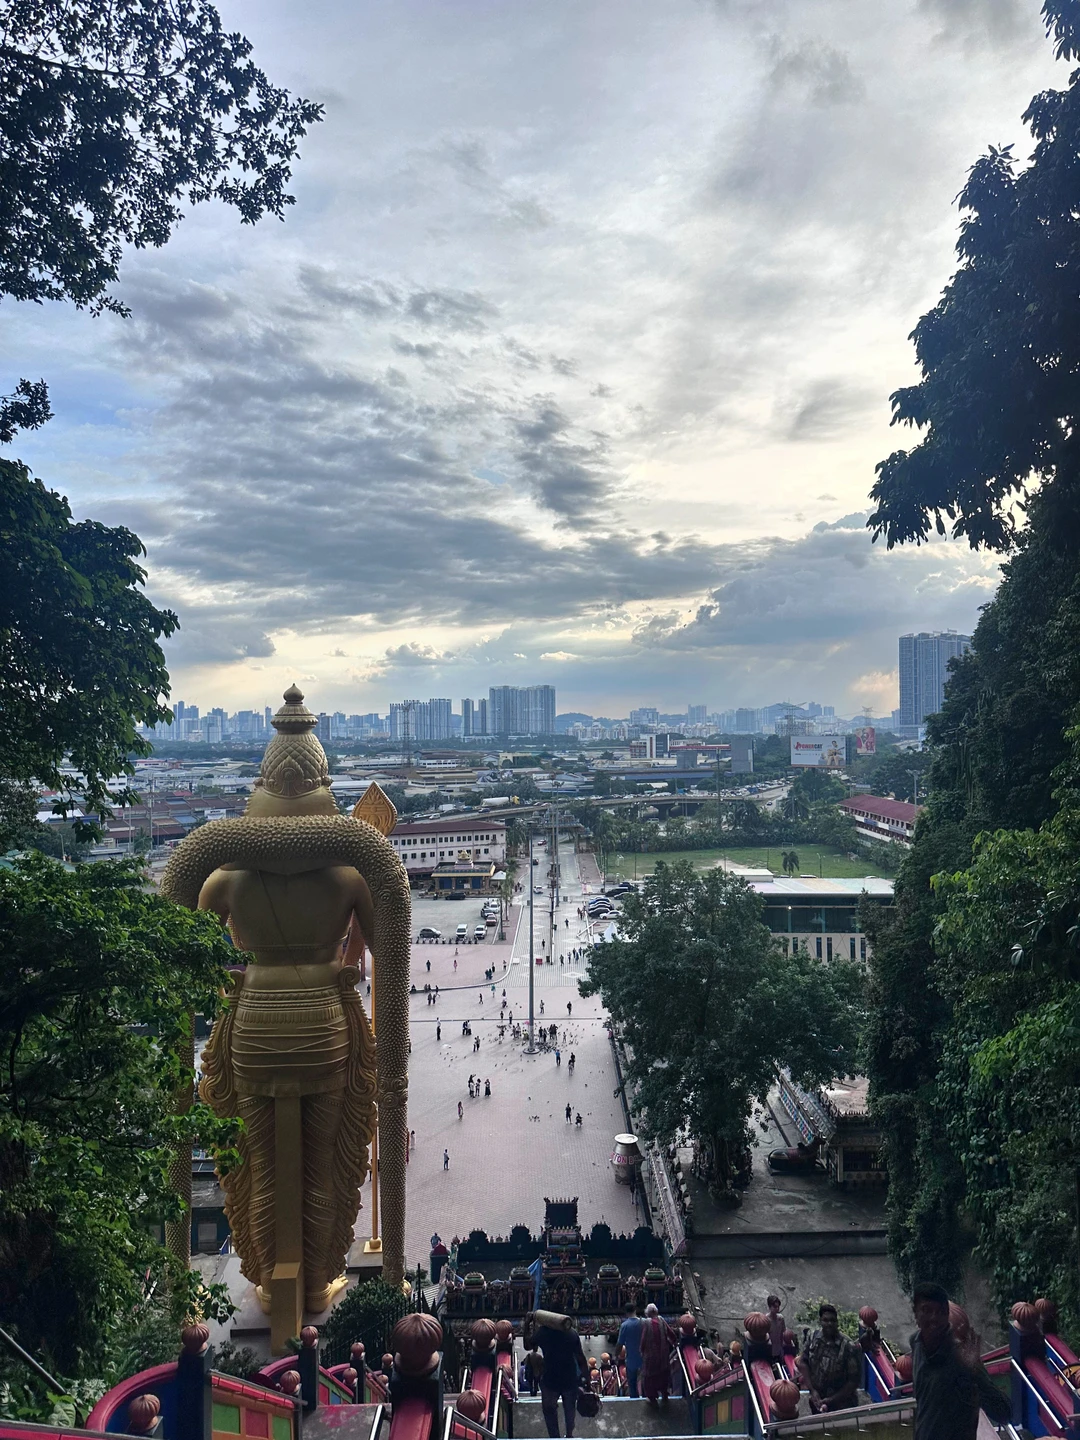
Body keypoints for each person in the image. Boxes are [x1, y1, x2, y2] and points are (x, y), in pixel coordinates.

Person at [910, 1282, 1010, 1440]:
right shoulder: (916, 1343)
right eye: (927, 1311)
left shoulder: (961, 1358)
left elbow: (1003, 1412)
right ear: (915, 1313)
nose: (934, 1318)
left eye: (941, 1312)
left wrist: (974, 1372)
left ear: (947, 1315)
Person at [527, 1311, 589, 1438]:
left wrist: (526, 1324)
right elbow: (581, 1359)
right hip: (570, 1379)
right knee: (570, 1410)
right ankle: (569, 1435)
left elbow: (527, 1345)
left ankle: (554, 1437)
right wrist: (586, 1379)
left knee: (549, 1411)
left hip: (550, 1380)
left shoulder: (543, 1332)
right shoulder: (571, 1333)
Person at [797, 1303, 862, 1414]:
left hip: (842, 1404)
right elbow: (803, 1362)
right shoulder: (813, 1338)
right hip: (817, 1400)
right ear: (820, 1321)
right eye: (825, 1320)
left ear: (837, 1322)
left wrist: (832, 1400)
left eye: (832, 1320)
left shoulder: (848, 1346)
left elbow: (854, 1381)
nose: (829, 1324)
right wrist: (812, 1390)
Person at [639, 1302, 676, 1405]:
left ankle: (652, 1397)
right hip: (663, 1354)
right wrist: (674, 1343)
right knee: (663, 1374)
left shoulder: (647, 1322)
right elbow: (671, 1333)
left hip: (650, 1355)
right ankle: (664, 1393)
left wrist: (641, 1350)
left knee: (649, 1376)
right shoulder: (662, 1320)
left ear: (648, 1313)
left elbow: (643, 1339)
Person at [617, 1303, 644, 1397]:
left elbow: (620, 1343)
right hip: (644, 1357)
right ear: (635, 1310)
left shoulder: (624, 1325)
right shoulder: (644, 1323)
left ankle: (634, 1400)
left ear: (625, 1312)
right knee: (645, 1382)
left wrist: (616, 1355)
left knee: (632, 1384)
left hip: (631, 1359)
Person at [767, 1295, 785, 1362]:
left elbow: (782, 1333)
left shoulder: (780, 1318)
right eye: (775, 1307)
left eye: (778, 1307)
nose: (777, 1309)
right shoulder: (766, 1320)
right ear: (770, 1307)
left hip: (779, 1349)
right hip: (769, 1350)